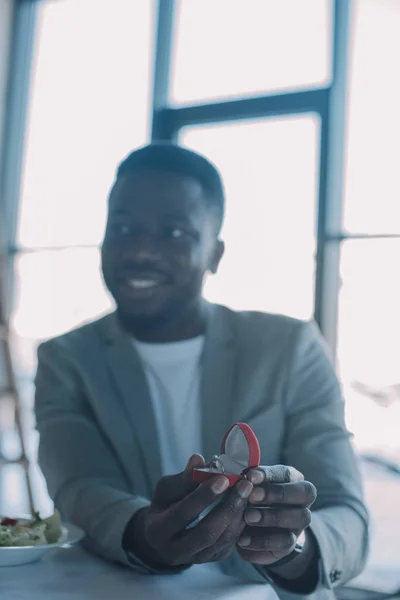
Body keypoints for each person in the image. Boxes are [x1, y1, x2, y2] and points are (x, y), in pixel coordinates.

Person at [35, 144, 368, 599]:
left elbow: (348, 513)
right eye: (123, 226)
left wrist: (292, 544)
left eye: (173, 232)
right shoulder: (66, 358)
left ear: (216, 253)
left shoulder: (289, 347)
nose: (140, 250)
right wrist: (143, 533)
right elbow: (80, 486)